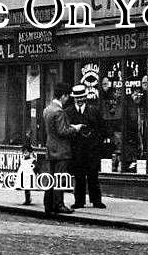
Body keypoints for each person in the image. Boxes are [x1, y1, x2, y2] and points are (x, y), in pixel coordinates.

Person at [43, 83, 83, 215]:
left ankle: (48, 204)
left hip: (50, 148)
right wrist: (75, 128)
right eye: (67, 96)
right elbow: (62, 131)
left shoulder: (48, 109)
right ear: (63, 96)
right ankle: (59, 204)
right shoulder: (59, 111)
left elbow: (54, 129)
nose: (68, 99)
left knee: (51, 178)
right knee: (60, 178)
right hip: (61, 150)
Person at [69, 84, 106, 209]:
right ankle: (79, 201)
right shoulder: (68, 112)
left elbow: (102, 129)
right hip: (77, 150)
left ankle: (96, 201)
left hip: (92, 150)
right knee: (79, 177)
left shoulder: (94, 111)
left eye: (81, 97)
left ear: (85, 97)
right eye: (77, 98)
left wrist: (96, 143)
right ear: (74, 98)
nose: (79, 100)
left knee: (93, 176)